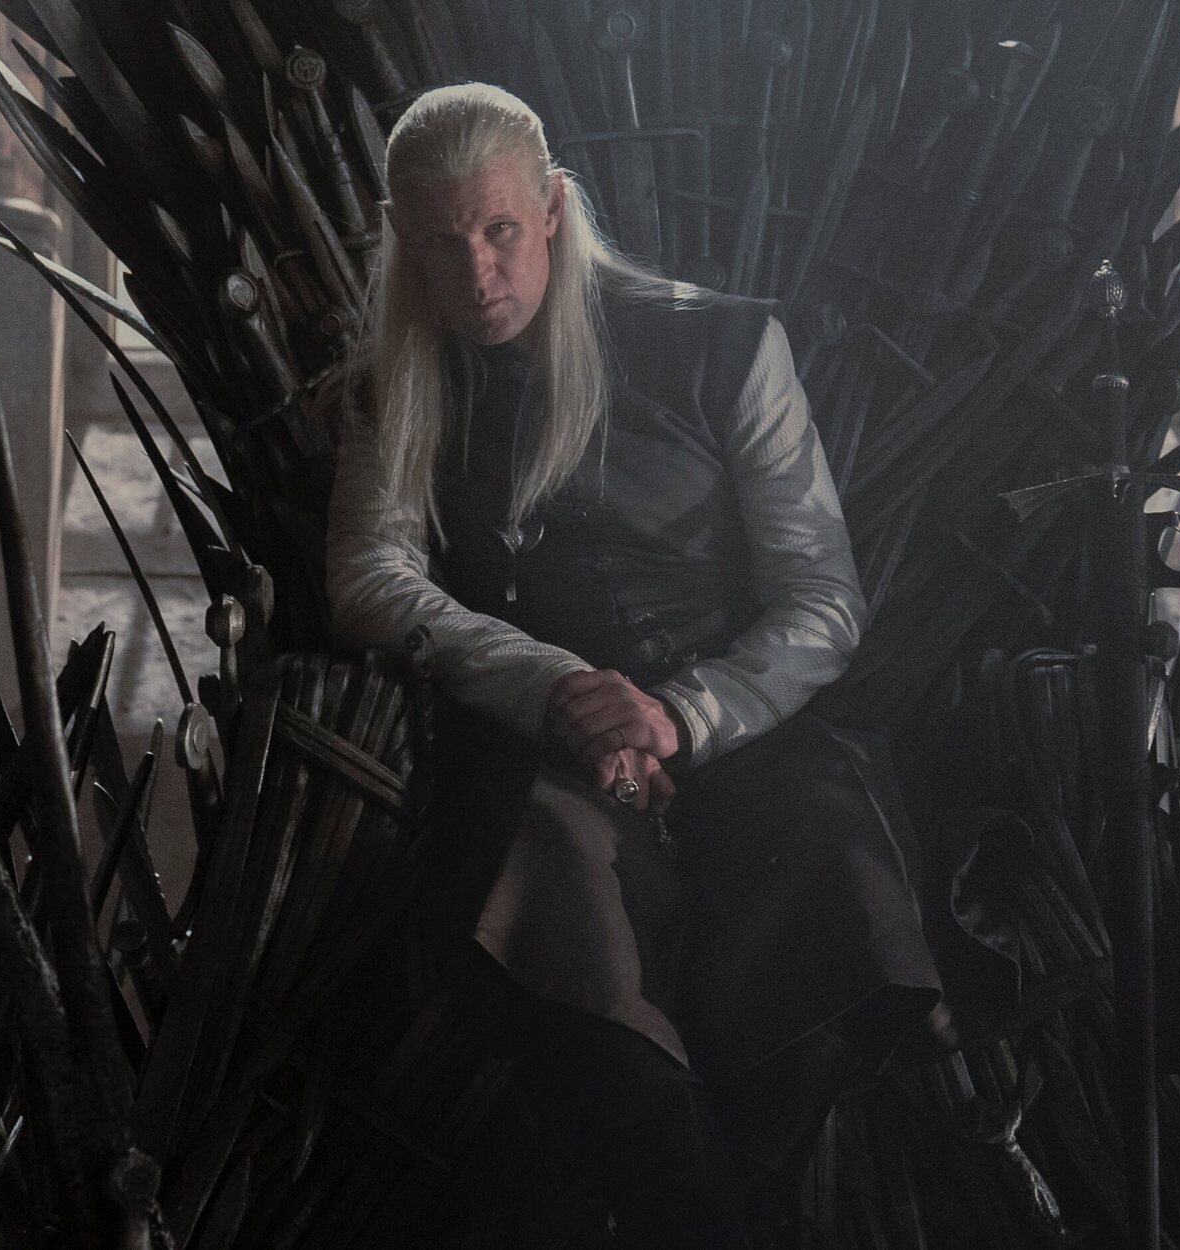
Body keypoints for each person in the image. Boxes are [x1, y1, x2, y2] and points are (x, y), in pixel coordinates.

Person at [328, 82, 941, 1247]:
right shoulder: (394, 381)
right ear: (403, 239)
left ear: (553, 209)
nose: (477, 272)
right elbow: (370, 576)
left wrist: (676, 715)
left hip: (736, 724)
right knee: (563, 912)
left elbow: (821, 597)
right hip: (530, 748)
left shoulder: (720, 344)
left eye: (499, 229)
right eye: (443, 243)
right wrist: (550, 685)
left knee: (836, 872)